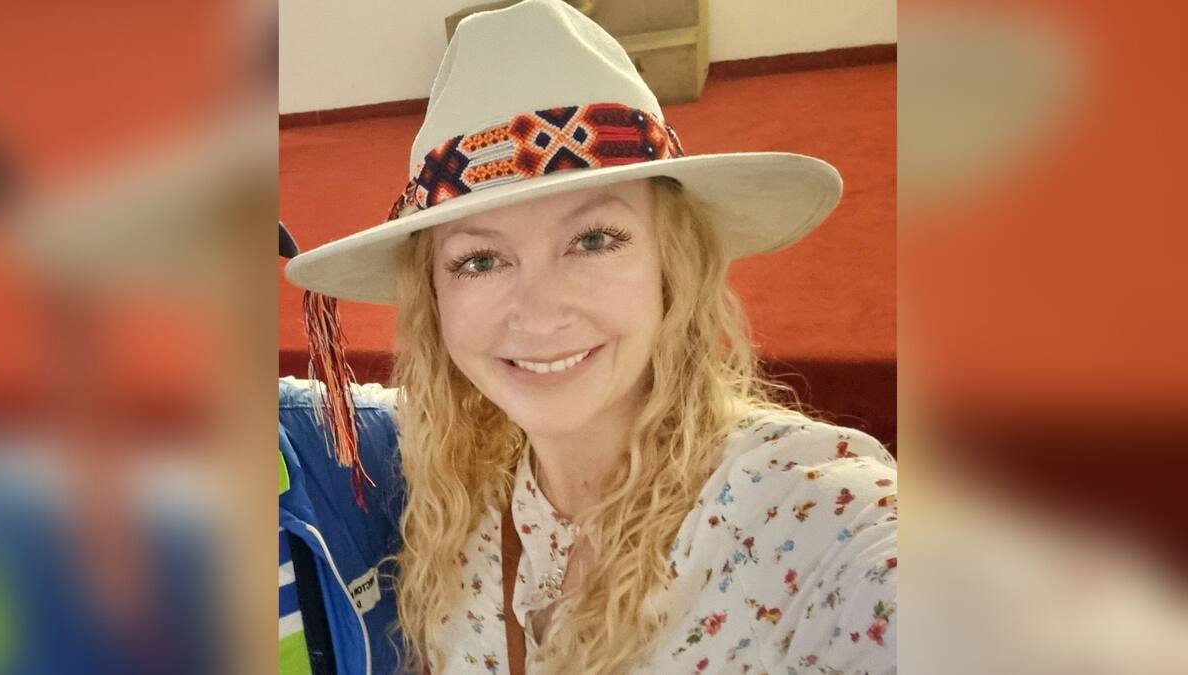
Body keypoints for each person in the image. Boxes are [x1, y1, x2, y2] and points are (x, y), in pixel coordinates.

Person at [285, 1, 897, 673]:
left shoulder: (808, 517)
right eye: (479, 260)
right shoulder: (459, 515)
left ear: (672, 262)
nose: (539, 313)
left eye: (594, 239)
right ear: (434, 301)